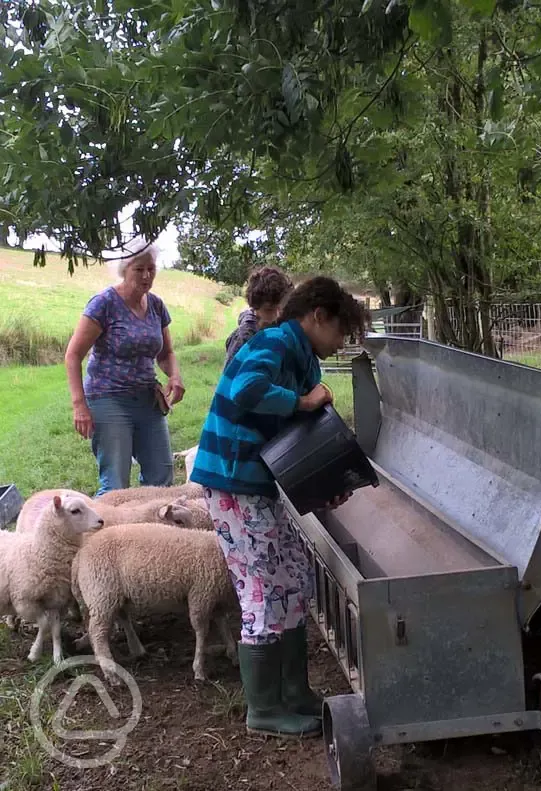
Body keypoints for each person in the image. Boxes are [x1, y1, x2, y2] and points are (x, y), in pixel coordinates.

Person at [189, 275, 370, 739]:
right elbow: (247, 390)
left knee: (293, 578)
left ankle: (295, 692)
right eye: (341, 333)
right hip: (234, 481)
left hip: (262, 484)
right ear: (318, 317)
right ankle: (263, 708)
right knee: (264, 588)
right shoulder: (273, 344)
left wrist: (327, 484)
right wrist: (301, 400)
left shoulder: (306, 359)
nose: (342, 343)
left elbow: (302, 437)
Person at [65, 246, 186, 496]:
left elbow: (166, 353)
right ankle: (107, 534)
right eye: (139, 269)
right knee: (116, 485)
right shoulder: (104, 304)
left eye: (150, 269)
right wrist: (79, 405)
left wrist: (174, 375)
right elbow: (73, 355)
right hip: (108, 398)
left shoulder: (156, 305)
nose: (146, 276)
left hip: (147, 399)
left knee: (161, 478)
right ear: (124, 270)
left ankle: (148, 533)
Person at [224, 265, 294, 367]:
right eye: (269, 309)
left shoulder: (282, 330)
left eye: (282, 308)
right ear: (255, 306)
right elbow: (229, 379)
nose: (277, 315)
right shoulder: (243, 339)